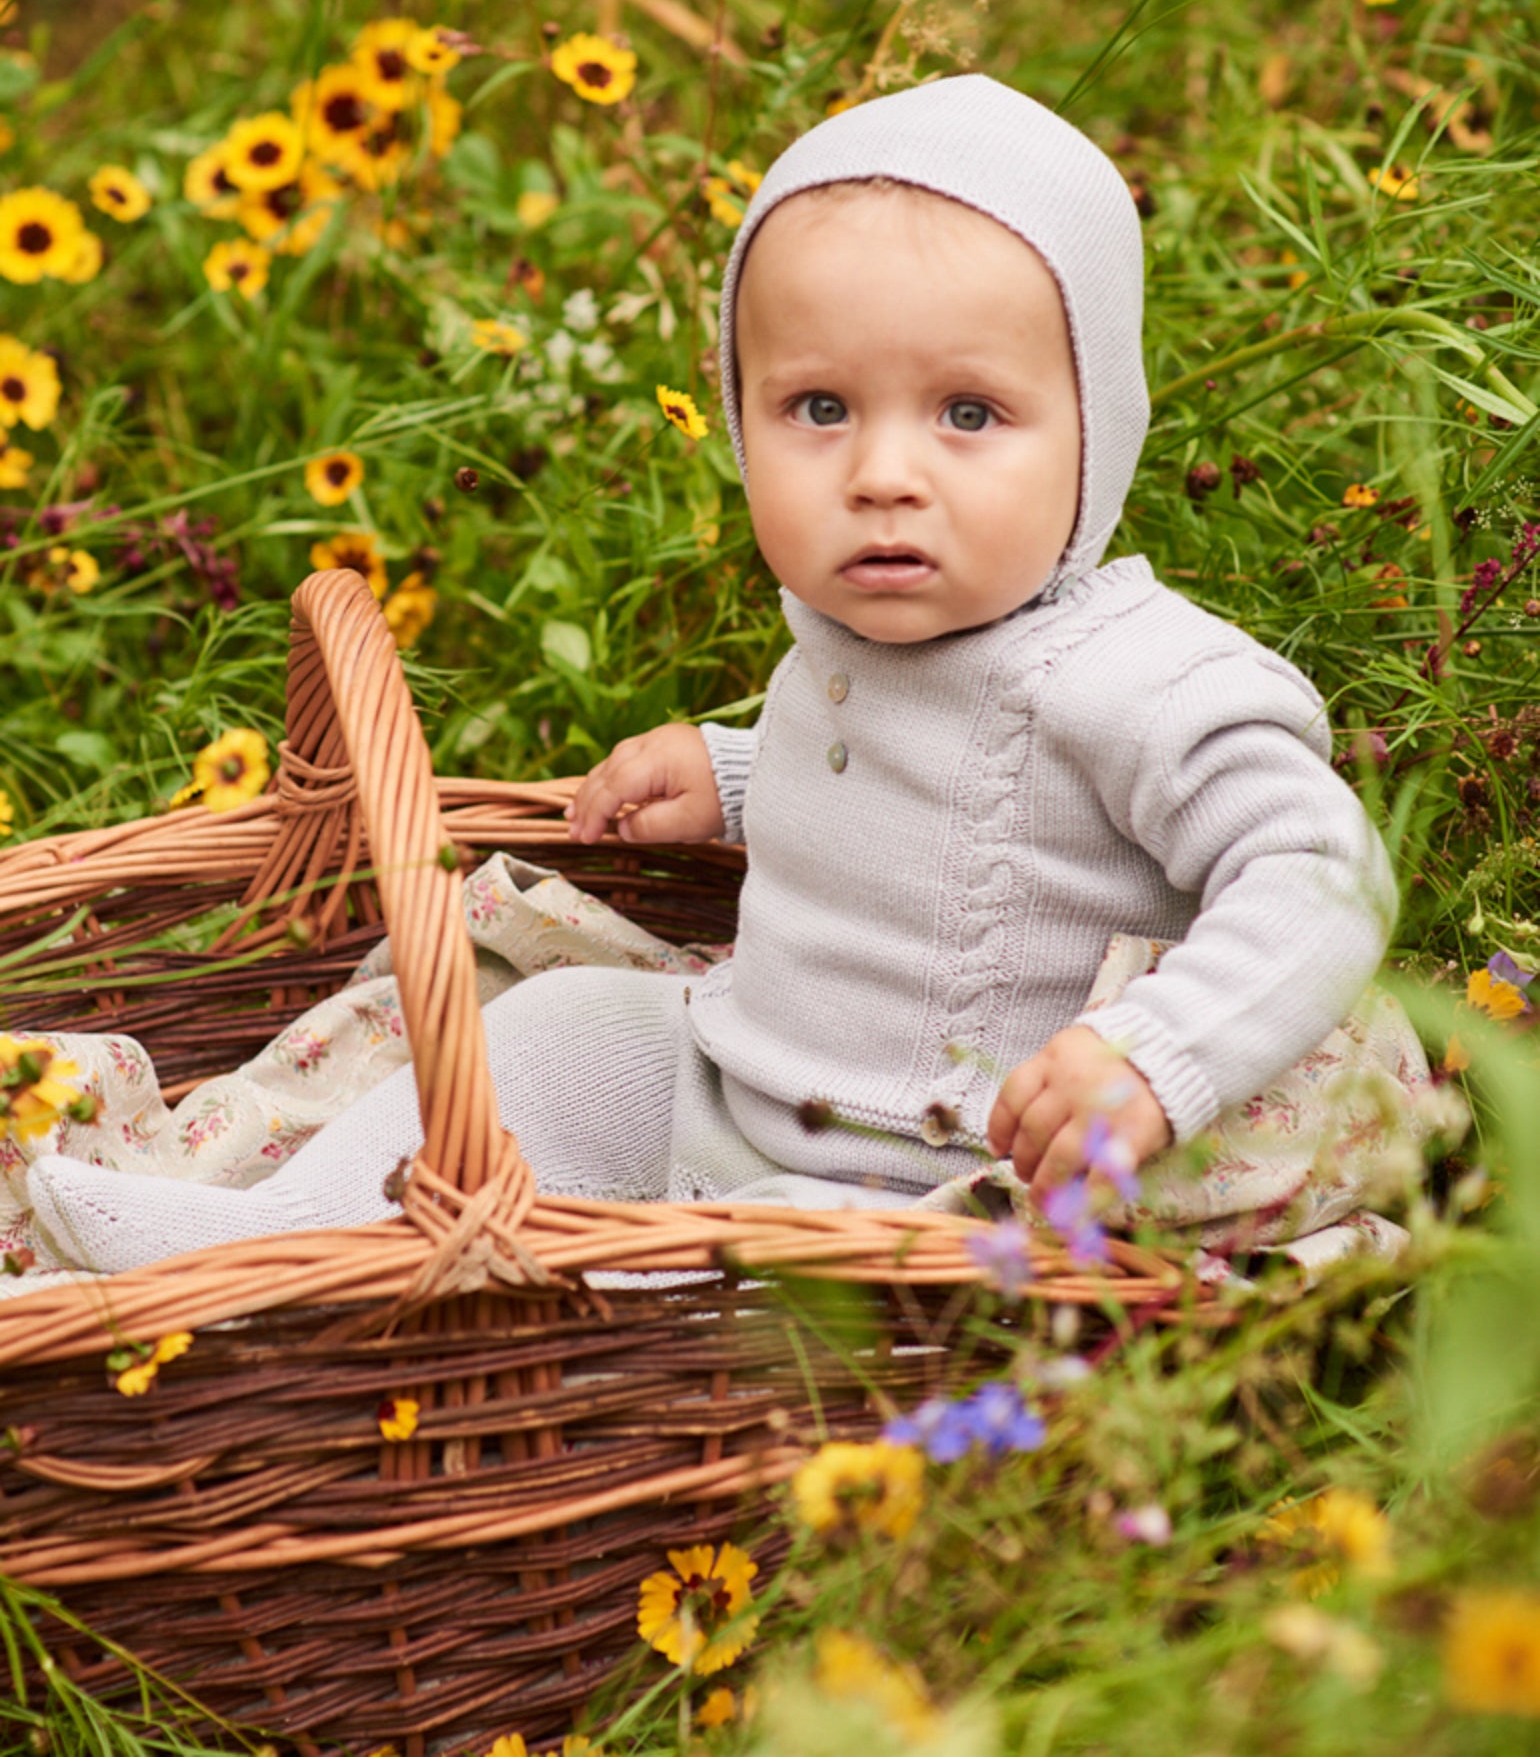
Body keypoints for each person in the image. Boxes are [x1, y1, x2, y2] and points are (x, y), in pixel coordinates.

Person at [24, 74, 1422, 1274]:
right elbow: (898, 785)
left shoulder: (1142, 678)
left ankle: (429, 1316)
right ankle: (255, 1239)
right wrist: (737, 775)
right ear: (743, 421)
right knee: (557, 1026)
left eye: (969, 413)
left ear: (1093, 433)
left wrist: (1159, 1056)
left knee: (674, 1303)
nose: (883, 474)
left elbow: (1319, 866)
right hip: (730, 1066)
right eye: (819, 408)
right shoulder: (875, 625)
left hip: (904, 1183)